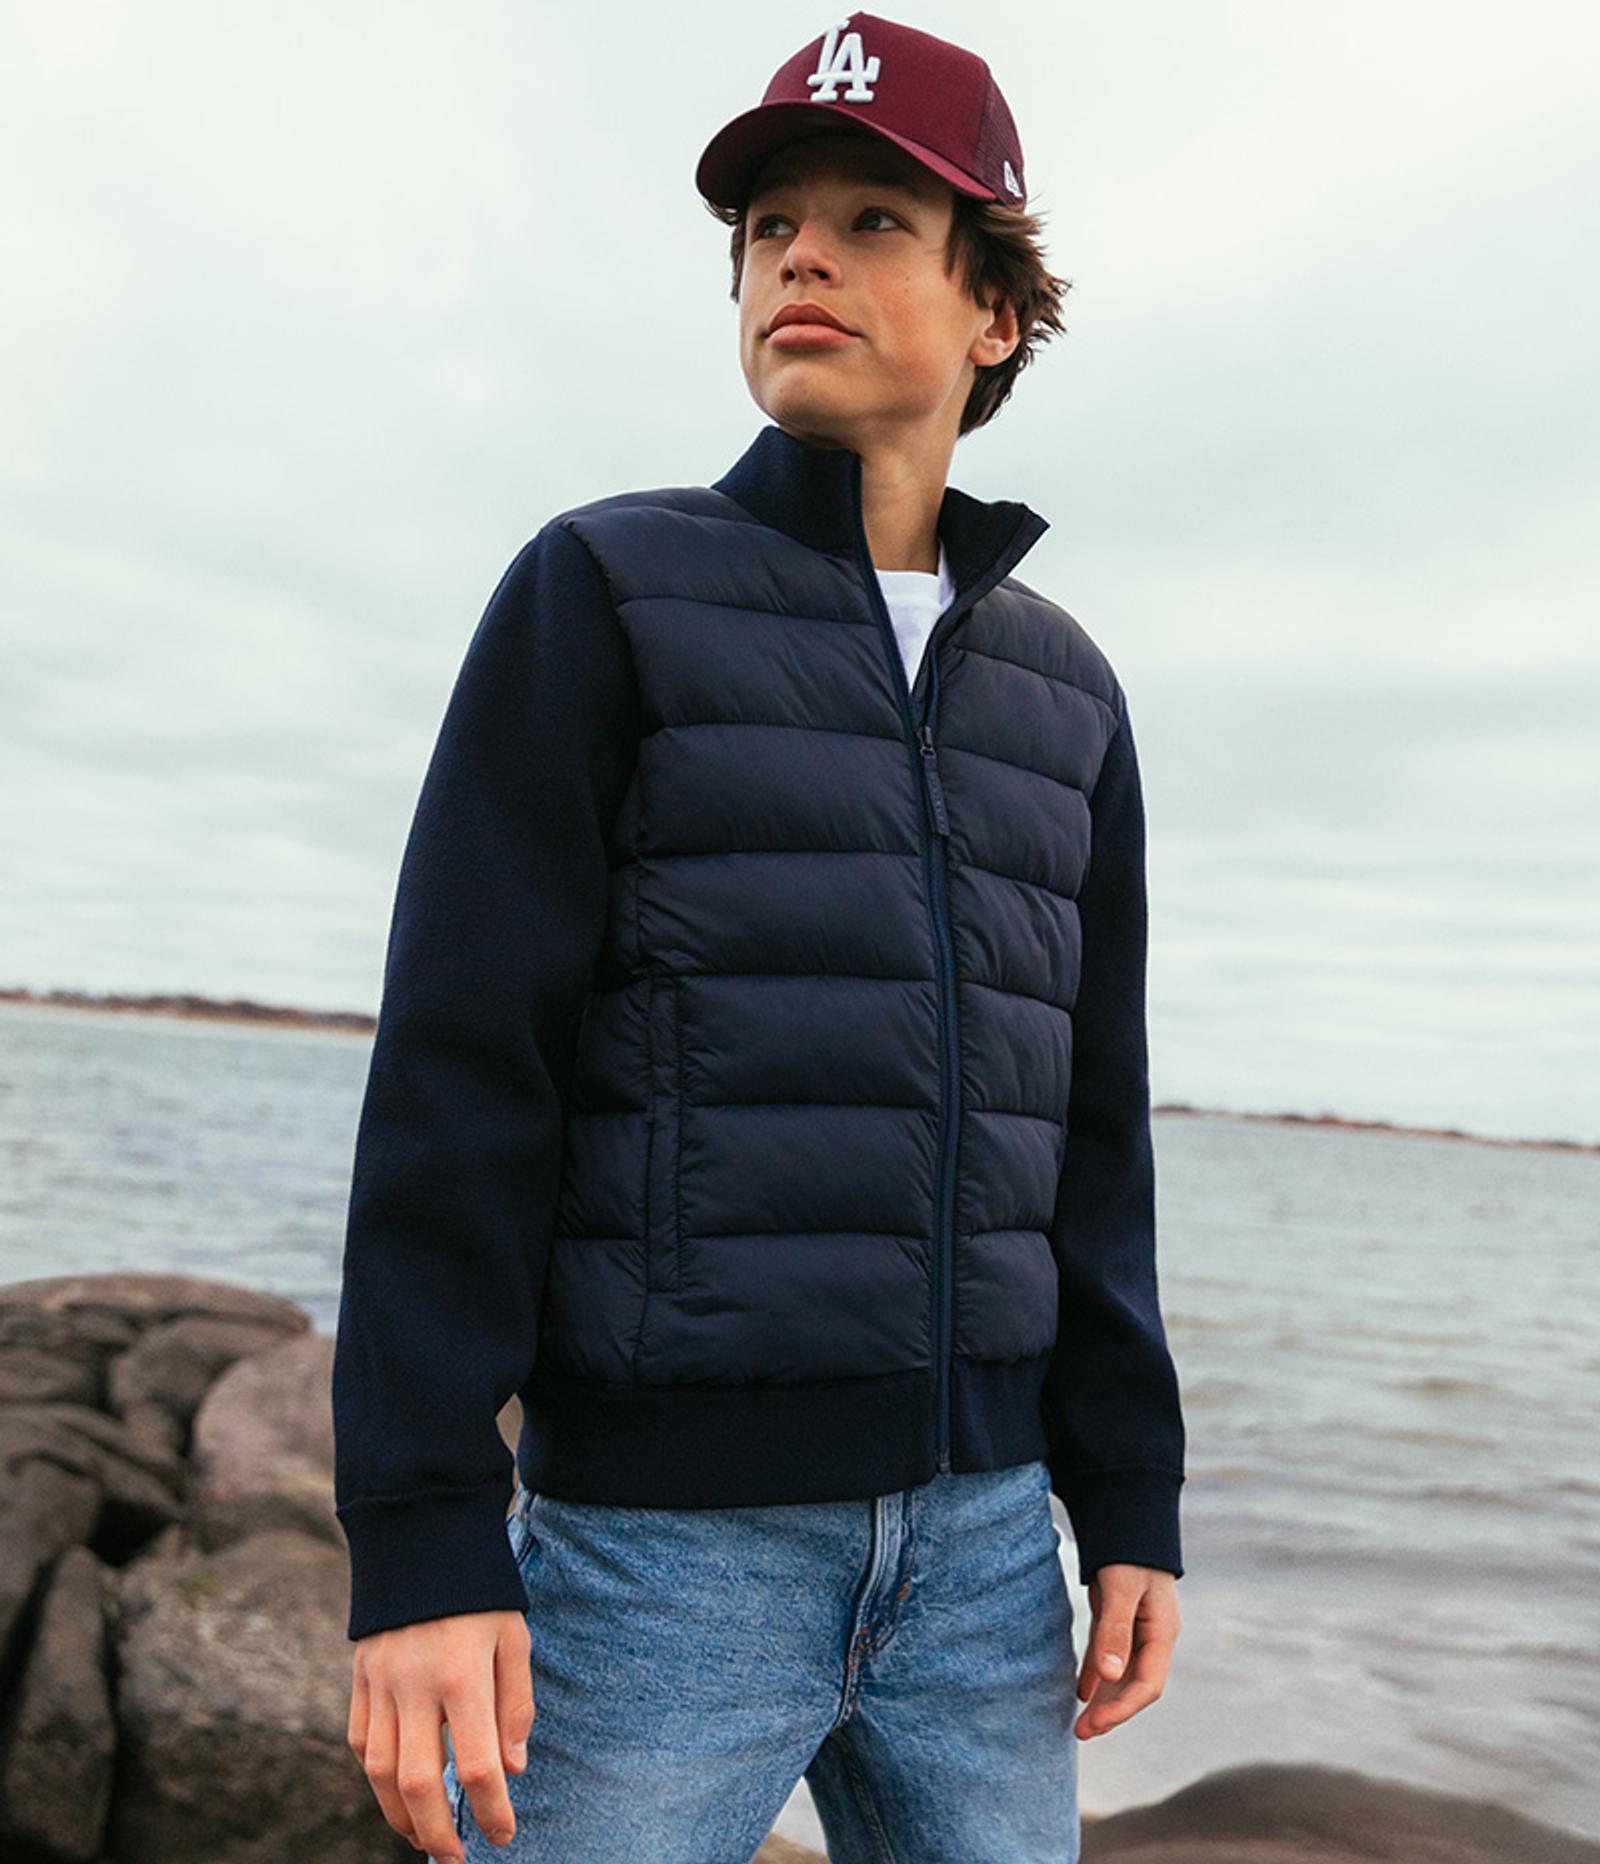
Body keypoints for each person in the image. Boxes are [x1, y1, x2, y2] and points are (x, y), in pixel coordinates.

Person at [331, 13, 1186, 1862]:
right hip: (659, 1566)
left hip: (985, 1567)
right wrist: (417, 1527)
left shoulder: (1071, 694)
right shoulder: (605, 591)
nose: (798, 253)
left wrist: (1131, 1493)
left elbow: (1091, 1134)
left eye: (876, 219)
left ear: (995, 315)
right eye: (768, 225)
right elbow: (465, 1076)